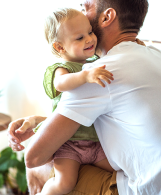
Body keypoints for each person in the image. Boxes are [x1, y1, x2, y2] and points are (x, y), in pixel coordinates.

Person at [8, 0, 161, 194]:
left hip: (155, 190)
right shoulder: (160, 56)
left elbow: (33, 157)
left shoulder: (100, 73)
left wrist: (44, 131)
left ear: (107, 17)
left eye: (85, 8)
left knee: (42, 167)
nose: (80, 15)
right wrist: (39, 122)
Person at [32, 8, 115, 195]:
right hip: (69, 145)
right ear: (59, 47)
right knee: (64, 184)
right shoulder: (62, 68)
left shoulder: (96, 60)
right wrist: (85, 76)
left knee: (121, 170)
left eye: (90, 32)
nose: (90, 39)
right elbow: (61, 84)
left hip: (96, 143)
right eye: (79, 38)